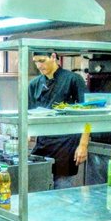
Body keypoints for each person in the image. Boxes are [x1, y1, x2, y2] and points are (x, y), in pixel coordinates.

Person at [28, 51, 90, 189]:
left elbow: (88, 114)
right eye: (36, 61)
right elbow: (29, 116)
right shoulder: (34, 85)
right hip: (43, 144)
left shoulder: (73, 79)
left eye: (42, 60)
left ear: (53, 57)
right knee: (37, 188)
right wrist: (27, 135)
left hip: (66, 146)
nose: (39, 65)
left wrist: (83, 144)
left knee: (62, 191)